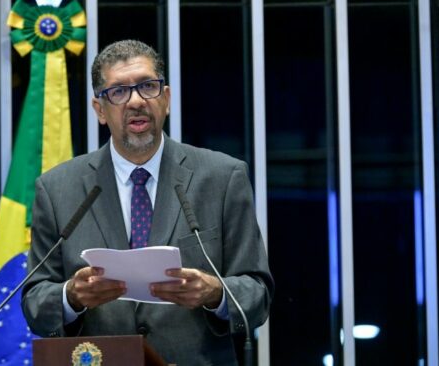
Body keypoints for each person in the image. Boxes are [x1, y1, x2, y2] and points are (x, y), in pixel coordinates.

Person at [22, 39, 274, 366]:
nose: (136, 101)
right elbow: (34, 301)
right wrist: (71, 296)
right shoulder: (57, 189)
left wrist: (215, 293)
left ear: (166, 99)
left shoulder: (222, 177)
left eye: (147, 87)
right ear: (100, 109)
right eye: (118, 92)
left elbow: (258, 294)